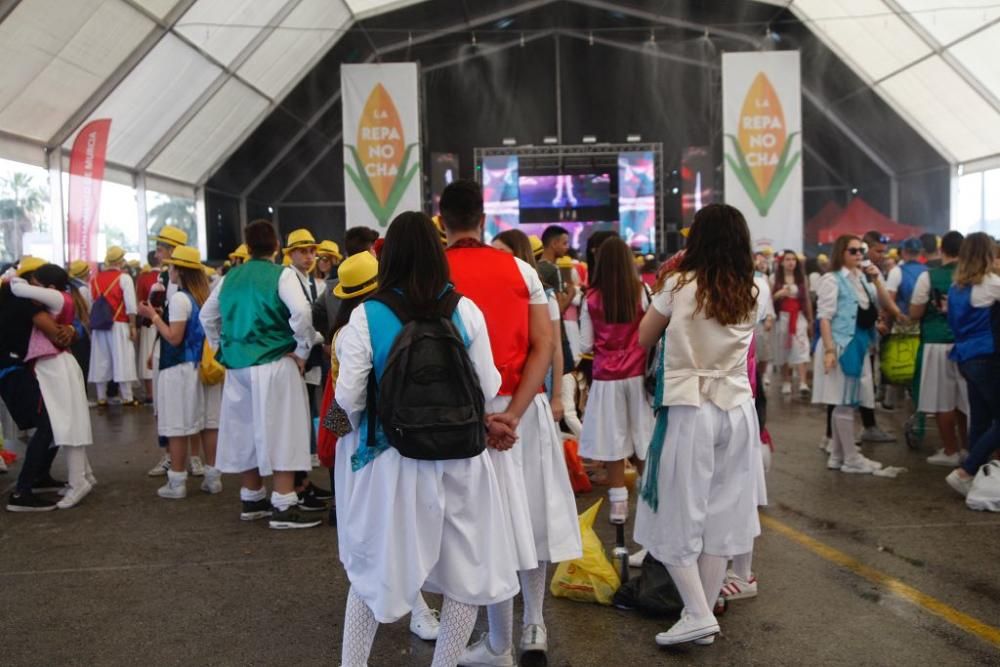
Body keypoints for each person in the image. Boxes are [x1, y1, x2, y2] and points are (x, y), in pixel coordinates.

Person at [333, 211, 520, 667]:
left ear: (387, 257)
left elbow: (349, 397)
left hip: (392, 462)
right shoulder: (465, 309)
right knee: (466, 575)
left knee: (372, 573)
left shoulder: (366, 315)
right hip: (462, 459)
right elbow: (490, 386)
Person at [441, 180, 582, 666]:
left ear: (442, 222)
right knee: (534, 520)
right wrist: (517, 412)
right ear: (483, 220)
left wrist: (485, 416)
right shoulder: (522, 268)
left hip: (462, 416)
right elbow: (545, 344)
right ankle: (533, 627)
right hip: (524, 410)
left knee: (485, 525)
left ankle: (497, 640)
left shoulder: (433, 271)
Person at [634, 204, 766, 647]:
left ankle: (696, 612)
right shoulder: (754, 288)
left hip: (691, 410)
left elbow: (643, 337)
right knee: (721, 518)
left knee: (674, 512)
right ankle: (703, 616)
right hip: (738, 409)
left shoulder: (677, 283)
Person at [199, 220, 322, 529]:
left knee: (244, 428)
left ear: (248, 246)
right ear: (277, 246)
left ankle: (252, 497)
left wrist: (222, 347)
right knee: (284, 428)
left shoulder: (230, 277)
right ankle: (283, 503)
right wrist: (303, 351)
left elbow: (207, 316)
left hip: (238, 366)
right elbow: (303, 313)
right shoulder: (282, 274)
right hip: (276, 361)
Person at [812, 235, 903, 474]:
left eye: (861, 249)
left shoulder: (863, 278)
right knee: (844, 402)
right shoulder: (831, 280)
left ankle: (839, 455)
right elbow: (825, 317)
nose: (858, 254)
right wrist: (830, 350)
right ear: (841, 252)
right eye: (853, 250)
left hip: (860, 342)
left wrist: (877, 280)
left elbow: (881, 304)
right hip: (843, 344)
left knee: (846, 400)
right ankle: (850, 457)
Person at [578, 236, 653, 525]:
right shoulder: (641, 291)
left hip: (606, 376)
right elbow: (651, 331)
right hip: (637, 374)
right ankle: (649, 500)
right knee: (643, 436)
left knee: (613, 438)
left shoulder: (591, 298)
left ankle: (618, 502)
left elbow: (585, 345)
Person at [138, 246, 222, 500]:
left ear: (180, 271)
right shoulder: (206, 296)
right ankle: (212, 478)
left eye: (172, 266)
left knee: (177, 425)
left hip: (180, 369)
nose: (169, 270)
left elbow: (174, 338)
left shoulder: (179, 299)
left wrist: (153, 316)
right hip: (208, 368)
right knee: (209, 424)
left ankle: (177, 481)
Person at [10, 263, 96, 509]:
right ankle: (82, 476)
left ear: (48, 287)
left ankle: (78, 480)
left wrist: (14, 276)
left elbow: (18, 289)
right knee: (68, 422)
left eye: (36, 282)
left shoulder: (58, 298)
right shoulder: (62, 300)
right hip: (54, 367)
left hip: (56, 367)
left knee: (66, 423)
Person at [2, 257, 77, 511]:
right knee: (48, 422)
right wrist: (69, 330)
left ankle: (39, 476)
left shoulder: (8, 295)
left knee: (49, 422)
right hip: (11, 370)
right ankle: (22, 492)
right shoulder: (28, 303)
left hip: (10, 369)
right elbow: (57, 335)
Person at [943, 233, 1000, 498]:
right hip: (986, 355)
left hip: (964, 355)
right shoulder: (990, 284)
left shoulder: (957, 287)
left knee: (979, 420)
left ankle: (974, 478)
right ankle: (966, 471)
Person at [909, 231, 968, 467]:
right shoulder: (969, 276)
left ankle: (950, 450)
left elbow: (915, 313)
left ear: (942, 250)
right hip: (964, 343)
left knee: (944, 400)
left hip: (936, 343)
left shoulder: (928, 277)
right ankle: (968, 448)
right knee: (966, 400)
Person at [283, 229, 332, 502]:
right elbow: (301, 317)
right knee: (305, 419)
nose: (310, 256)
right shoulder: (290, 279)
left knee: (313, 417)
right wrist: (306, 348)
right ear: (290, 254)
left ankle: (304, 482)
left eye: (312, 251)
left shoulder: (316, 283)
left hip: (315, 358)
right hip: (302, 358)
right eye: (304, 251)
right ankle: (300, 483)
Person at [88, 246, 139, 407]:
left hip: (100, 325)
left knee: (100, 359)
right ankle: (127, 397)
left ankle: (101, 397)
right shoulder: (124, 278)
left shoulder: (94, 279)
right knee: (122, 358)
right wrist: (132, 326)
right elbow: (130, 305)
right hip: (119, 324)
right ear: (120, 261)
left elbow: (92, 303)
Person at [771, 250, 813, 397]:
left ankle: (803, 383)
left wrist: (810, 320)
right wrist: (779, 294)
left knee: (801, 347)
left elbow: (807, 300)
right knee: (783, 349)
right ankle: (786, 381)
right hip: (782, 317)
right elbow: (769, 299)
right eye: (788, 259)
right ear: (782, 262)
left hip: (799, 317)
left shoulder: (802, 279)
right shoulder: (774, 279)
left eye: (793, 260)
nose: (791, 262)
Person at [136, 252, 161, 403]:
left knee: (147, 353)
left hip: (147, 321)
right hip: (164, 320)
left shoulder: (143, 278)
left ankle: (150, 394)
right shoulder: (165, 276)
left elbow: (139, 301)